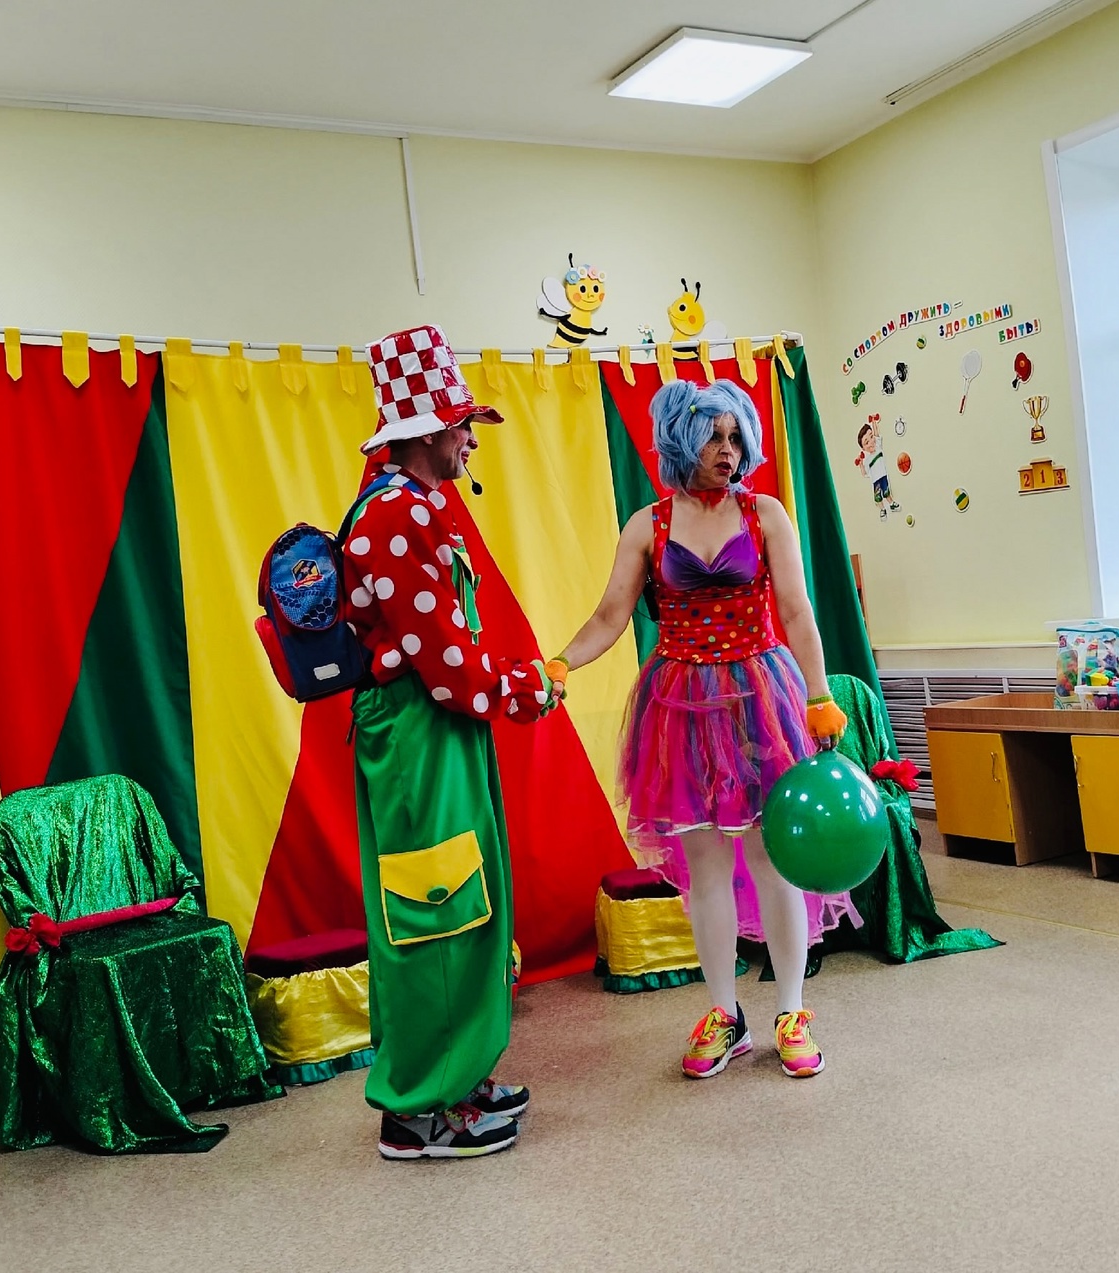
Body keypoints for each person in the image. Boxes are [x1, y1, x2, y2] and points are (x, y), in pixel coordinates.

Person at [547, 378, 856, 1080]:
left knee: (774, 859)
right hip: (680, 705)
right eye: (714, 436)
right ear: (681, 441)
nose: (729, 450)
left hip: (761, 700)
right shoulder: (648, 524)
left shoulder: (765, 513)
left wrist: (819, 694)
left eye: (736, 436)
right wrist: (561, 662)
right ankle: (725, 1013)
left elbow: (797, 610)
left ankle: (791, 1010)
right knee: (706, 870)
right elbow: (609, 616)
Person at [345, 325, 555, 1159]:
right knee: (435, 909)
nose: (470, 437)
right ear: (428, 429)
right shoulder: (397, 512)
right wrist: (526, 687)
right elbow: (445, 667)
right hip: (420, 734)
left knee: (464, 901)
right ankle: (418, 1111)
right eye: (463, 423)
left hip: (436, 731)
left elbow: (447, 654)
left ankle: (458, 1079)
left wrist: (501, 685)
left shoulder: (414, 505)